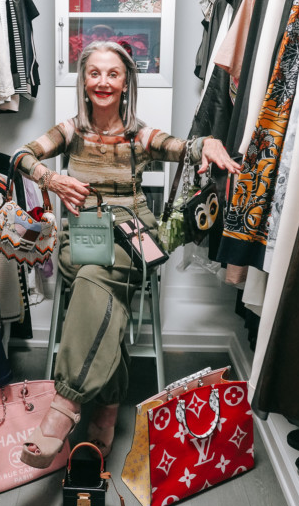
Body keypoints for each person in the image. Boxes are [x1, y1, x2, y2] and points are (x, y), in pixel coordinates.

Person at [13, 40, 240, 468]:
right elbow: (21, 156)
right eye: (94, 73)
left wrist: (206, 143)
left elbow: (181, 147)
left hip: (132, 237)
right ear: (83, 81)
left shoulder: (138, 134)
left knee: (94, 280)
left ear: (125, 83)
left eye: (112, 74)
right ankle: (106, 408)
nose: (103, 81)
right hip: (81, 235)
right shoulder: (70, 131)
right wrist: (54, 181)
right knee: (96, 277)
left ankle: (65, 406)